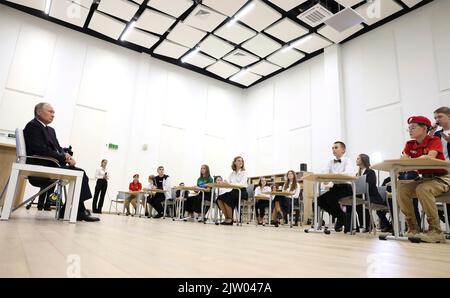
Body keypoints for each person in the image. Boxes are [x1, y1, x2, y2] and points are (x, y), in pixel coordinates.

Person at [23, 103, 99, 221]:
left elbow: (57, 149)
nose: (53, 115)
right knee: (81, 174)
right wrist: (63, 157)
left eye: (54, 113)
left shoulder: (50, 130)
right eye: (50, 112)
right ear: (38, 112)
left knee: (80, 173)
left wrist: (66, 154)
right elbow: (41, 150)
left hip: (52, 163)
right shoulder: (33, 126)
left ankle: (72, 210)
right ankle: (75, 211)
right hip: (41, 164)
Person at [397, 116, 449, 243]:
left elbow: (429, 158)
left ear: (424, 128)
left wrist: (411, 159)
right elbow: (403, 161)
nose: (410, 130)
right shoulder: (409, 144)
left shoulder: (434, 140)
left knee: (423, 189)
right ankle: (413, 227)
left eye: (413, 127)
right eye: (409, 128)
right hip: (424, 179)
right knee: (402, 189)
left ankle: (436, 231)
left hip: (442, 177)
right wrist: (410, 159)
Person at [317, 141, 353, 233]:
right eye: (332, 148)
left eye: (336, 147)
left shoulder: (347, 160)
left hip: (346, 187)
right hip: (335, 187)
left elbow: (348, 173)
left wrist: (332, 175)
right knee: (320, 200)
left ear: (343, 150)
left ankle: (342, 218)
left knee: (330, 199)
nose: (333, 149)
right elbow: (325, 173)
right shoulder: (330, 162)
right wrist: (325, 179)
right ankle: (343, 217)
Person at [350, 154, 391, 232]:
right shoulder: (357, 174)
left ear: (363, 160)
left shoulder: (370, 172)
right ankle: (364, 225)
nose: (356, 160)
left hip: (373, 196)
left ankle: (368, 225)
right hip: (364, 195)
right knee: (357, 202)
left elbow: (369, 186)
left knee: (360, 202)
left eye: (358, 158)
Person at [216, 156, 248, 225]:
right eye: (239, 160)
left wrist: (229, 184)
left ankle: (230, 219)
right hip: (233, 191)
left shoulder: (244, 173)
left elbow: (241, 184)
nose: (240, 162)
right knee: (219, 198)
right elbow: (227, 182)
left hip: (241, 191)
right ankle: (227, 217)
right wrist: (222, 183)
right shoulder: (232, 173)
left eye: (241, 161)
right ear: (235, 162)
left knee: (227, 197)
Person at [431, 106, 450, 224]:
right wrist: (431, 131)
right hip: (442, 171)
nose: (437, 120)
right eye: (435, 118)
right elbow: (427, 145)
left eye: (440, 116)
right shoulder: (437, 134)